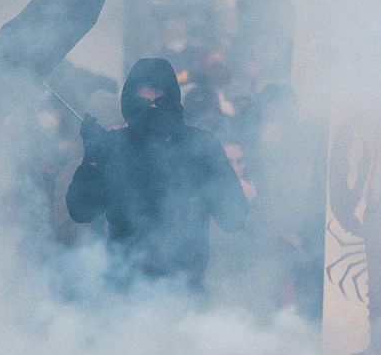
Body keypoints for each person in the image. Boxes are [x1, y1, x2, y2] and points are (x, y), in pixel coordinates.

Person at [66, 58, 249, 296]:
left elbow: (234, 217)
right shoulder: (114, 147)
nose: (152, 108)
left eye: (160, 99)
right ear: (129, 102)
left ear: (172, 98)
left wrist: (210, 182)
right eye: (143, 100)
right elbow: (81, 210)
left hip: (185, 293)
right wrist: (91, 160)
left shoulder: (201, 146)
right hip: (124, 296)